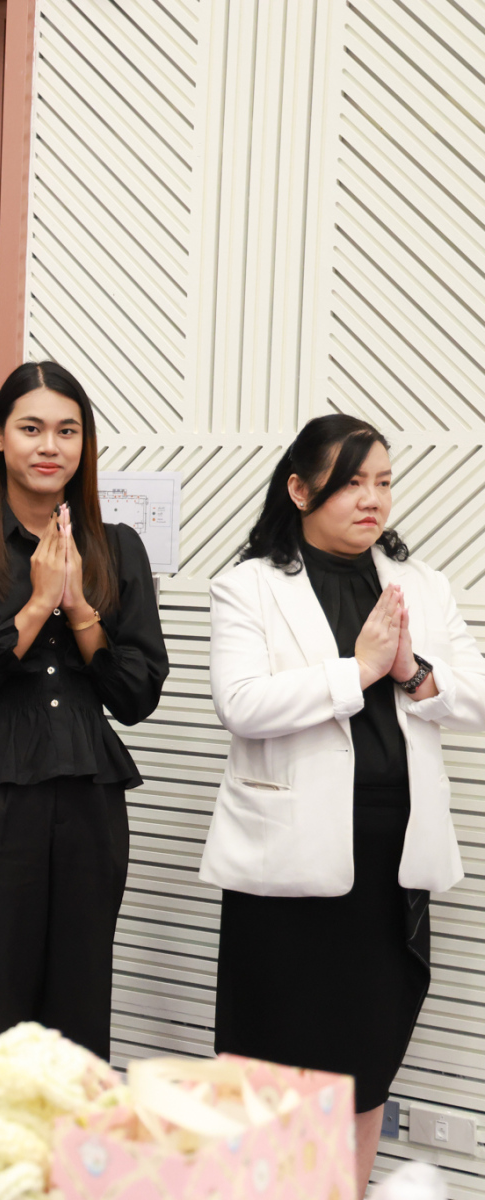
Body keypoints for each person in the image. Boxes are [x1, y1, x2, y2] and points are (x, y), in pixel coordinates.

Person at [201, 415, 485, 1182]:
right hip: (286, 864)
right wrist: (355, 671)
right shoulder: (248, 585)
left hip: (392, 858)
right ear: (299, 490)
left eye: (383, 482)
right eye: (352, 481)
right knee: (274, 1066)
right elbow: (241, 704)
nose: (372, 499)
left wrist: (412, 672)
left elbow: (476, 694)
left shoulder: (421, 584)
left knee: (366, 1063)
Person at [0, 362, 167, 1059]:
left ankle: (73, 1132)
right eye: (31, 429)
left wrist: (80, 607)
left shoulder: (118, 547)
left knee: (81, 996)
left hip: (90, 799)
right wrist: (34, 606)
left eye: (67, 431)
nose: (50, 446)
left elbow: (137, 695)